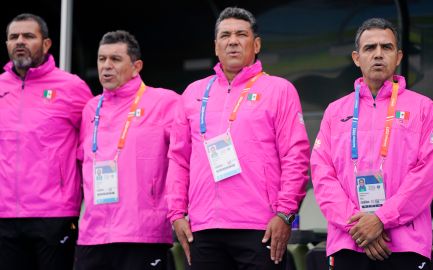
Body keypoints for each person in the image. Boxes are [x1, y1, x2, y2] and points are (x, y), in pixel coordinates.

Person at [166, 6, 310, 270]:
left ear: (256, 44)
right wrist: (176, 214)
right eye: (225, 35)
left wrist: (284, 214)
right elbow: (178, 159)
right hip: (204, 227)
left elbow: (295, 156)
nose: (232, 41)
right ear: (216, 46)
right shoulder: (193, 93)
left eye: (241, 34)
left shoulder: (279, 90)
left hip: (260, 226)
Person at [311, 18, 433, 270]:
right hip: (349, 241)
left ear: (399, 56)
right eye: (370, 48)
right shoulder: (334, 111)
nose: (378, 54)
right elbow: (322, 176)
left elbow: (426, 176)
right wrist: (359, 227)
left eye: (387, 47)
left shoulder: (424, 108)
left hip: (405, 243)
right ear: (356, 57)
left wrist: (381, 219)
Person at [75, 30, 179, 270]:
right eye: (102, 59)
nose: (106, 66)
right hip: (93, 233)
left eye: (115, 59)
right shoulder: (90, 108)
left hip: (142, 232)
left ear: (136, 66)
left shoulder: (164, 102)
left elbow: (186, 159)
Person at [0, 13, 92, 270]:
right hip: (5, 215)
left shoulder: (71, 87)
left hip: (55, 214)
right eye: (13, 37)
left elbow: (94, 143)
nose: (20, 41)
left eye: (28, 36)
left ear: (47, 43)